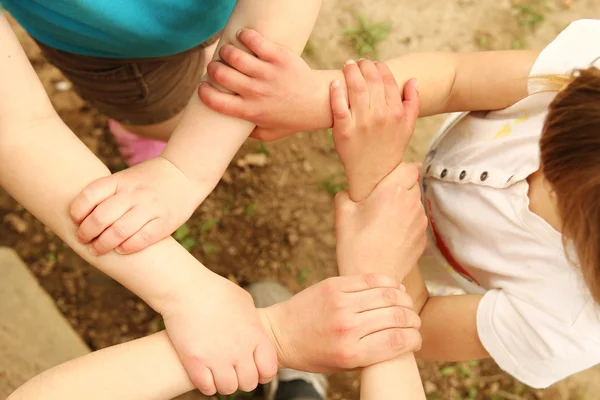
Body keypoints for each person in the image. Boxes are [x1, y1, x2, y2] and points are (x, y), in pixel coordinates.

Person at [0, 10, 424, 397]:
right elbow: (19, 127)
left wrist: (263, 329)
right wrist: (185, 170)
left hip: (183, 29)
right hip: (119, 46)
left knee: (185, 89)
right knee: (159, 105)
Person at [195, 21, 600, 388]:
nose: (545, 117)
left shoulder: (566, 325)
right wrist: (322, 99)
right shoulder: (590, 77)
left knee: (360, 311)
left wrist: (376, 173)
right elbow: (457, 77)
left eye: (550, 146)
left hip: (439, 269)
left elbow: (414, 317)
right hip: (424, 219)